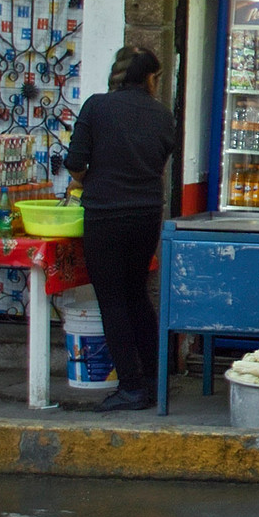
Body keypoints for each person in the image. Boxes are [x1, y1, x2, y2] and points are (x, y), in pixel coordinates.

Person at [64, 47, 176, 412]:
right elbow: (158, 162)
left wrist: (91, 178)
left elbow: (76, 164)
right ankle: (154, 382)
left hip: (106, 216)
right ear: (149, 78)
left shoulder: (96, 107)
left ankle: (130, 387)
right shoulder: (162, 115)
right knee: (137, 295)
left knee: (112, 301)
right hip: (145, 215)